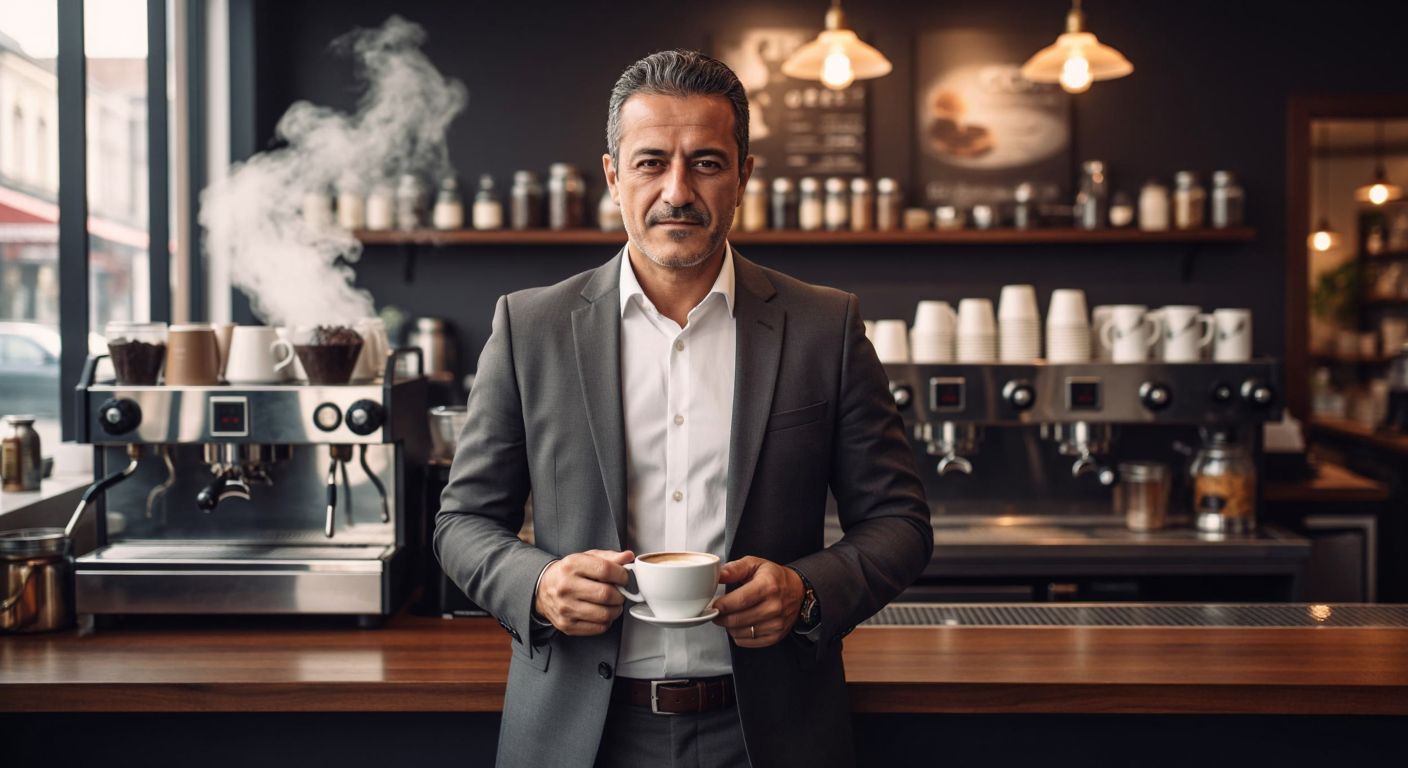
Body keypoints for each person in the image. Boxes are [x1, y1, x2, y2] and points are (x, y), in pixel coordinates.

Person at [434, 49, 932, 768]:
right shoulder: (529, 327)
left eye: (705, 162)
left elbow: (900, 524)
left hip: (771, 733)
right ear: (612, 176)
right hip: (579, 737)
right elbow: (462, 522)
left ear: (743, 177)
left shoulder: (825, 326)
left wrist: (807, 592)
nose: (677, 190)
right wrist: (538, 585)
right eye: (649, 163)